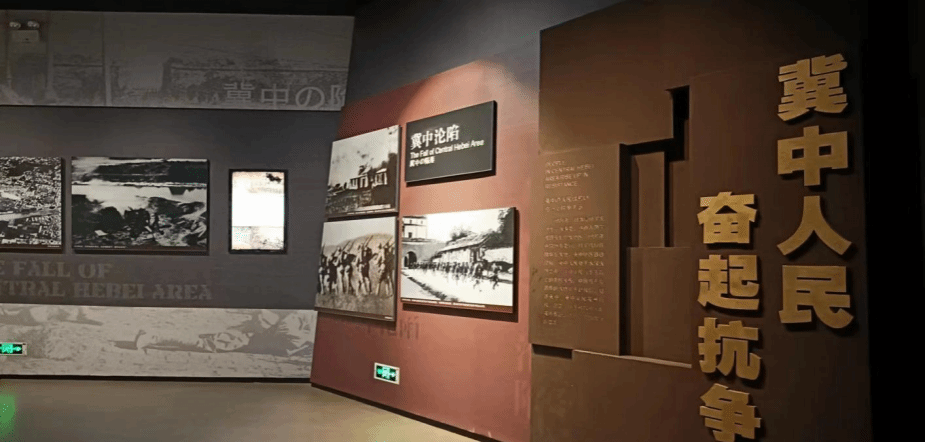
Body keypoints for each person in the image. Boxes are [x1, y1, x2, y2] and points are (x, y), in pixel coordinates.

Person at [134, 309, 315, 357]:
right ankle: (153, 336)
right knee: (208, 344)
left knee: (209, 339)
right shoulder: (300, 333)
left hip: (266, 323)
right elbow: (288, 340)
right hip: (262, 330)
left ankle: (153, 335)